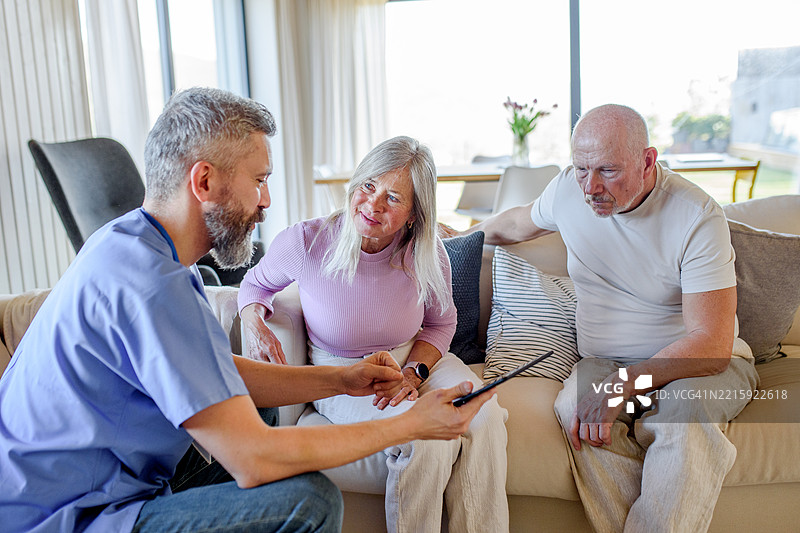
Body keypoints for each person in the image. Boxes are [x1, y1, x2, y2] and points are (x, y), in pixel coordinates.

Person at [0, 88, 496, 533]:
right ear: (205, 181)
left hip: (90, 485)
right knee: (309, 500)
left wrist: (341, 380)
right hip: (68, 515)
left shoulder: (132, 246)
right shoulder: (154, 288)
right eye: (258, 180)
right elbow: (254, 460)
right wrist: (409, 425)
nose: (267, 200)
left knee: (251, 416)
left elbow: (211, 369)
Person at [443, 104, 759, 533]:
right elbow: (516, 223)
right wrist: (454, 239)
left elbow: (711, 344)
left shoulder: (696, 216)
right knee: (577, 409)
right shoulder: (569, 192)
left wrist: (625, 384)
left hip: (693, 365)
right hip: (604, 359)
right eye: (581, 169)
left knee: (685, 418)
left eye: (608, 170)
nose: (591, 187)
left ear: (648, 161)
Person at [238, 135, 509, 533]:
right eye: (368, 186)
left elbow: (440, 323)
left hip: (415, 359)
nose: (373, 204)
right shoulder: (306, 241)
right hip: (346, 372)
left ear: (415, 213)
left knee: (483, 410)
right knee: (426, 436)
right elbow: (253, 285)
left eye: (394, 198)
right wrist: (254, 323)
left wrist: (416, 372)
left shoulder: (427, 252)